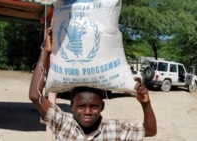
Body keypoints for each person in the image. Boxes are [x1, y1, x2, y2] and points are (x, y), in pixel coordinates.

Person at [29, 27, 157, 140]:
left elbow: (150, 131)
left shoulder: (115, 130)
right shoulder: (62, 123)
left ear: (102, 106)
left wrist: (146, 103)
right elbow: (35, 96)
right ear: (71, 106)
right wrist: (45, 52)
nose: (88, 112)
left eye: (94, 107)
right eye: (81, 106)